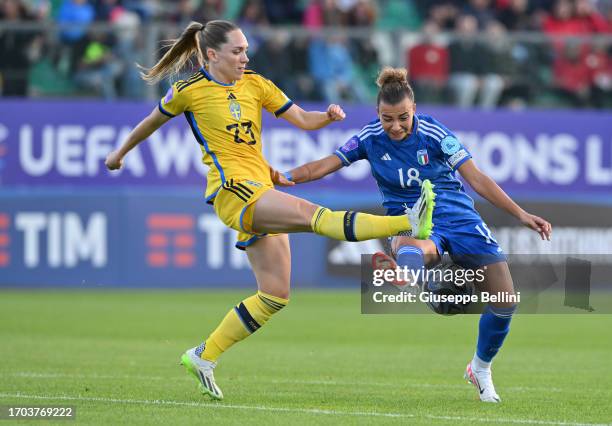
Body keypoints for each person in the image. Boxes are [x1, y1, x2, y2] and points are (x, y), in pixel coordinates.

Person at [104, 21, 436, 400]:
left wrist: (326, 116)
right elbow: (150, 123)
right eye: (237, 51)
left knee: (275, 295)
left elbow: (300, 119)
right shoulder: (188, 90)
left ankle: (203, 355)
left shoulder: (256, 84)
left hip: (260, 187)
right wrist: (119, 153)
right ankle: (409, 221)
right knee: (315, 216)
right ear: (212, 55)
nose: (245, 57)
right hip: (233, 192)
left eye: (246, 50)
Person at [282, 67, 552, 403]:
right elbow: (322, 165)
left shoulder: (436, 134)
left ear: (414, 110)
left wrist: (521, 214)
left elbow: (477, 179)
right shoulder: (369, 138)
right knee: (413, 242)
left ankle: (480, 368)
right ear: (378, 114)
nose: (395, 126)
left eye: (402, 118)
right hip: (410, 221)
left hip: (459, 218)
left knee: (505, 302)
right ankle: (407, 274)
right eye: (387, 119)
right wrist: (283, 176)